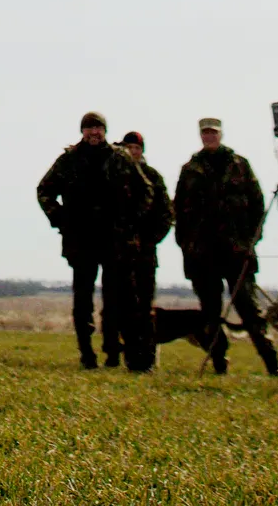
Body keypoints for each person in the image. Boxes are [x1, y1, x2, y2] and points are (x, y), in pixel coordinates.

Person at [37, 111, 149, 368]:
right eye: (89, 128)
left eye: (98, 128)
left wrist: (131, 224)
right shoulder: (69, 160)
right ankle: (86, 354)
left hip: (115, 241)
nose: (93, 132)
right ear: (82, 132)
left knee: (114, 301)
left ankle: (112, 354)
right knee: (82, 301)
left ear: (105, 130)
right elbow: (44, 190)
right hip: (81, 240)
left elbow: (145, 191)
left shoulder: (120, 158)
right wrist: (61, 218)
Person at [174, 118, 278, 376]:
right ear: (201, 136)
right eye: (205, 133)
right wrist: (187, 246)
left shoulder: (240, 165)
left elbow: (257, 204)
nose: (209, 136)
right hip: (202, 254)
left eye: (213, 132)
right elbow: (179, 211)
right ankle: (219, 364)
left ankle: (273, 365)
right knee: (210, 314)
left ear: (221, 134)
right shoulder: (190, 169)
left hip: (236, 252)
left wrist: (251, 240)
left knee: (249, 310)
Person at [117, 130, 172, 373]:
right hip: (119, 252)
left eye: (136, 148)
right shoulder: (115, 176)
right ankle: (130, 359)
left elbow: (167, 215)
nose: (132, 152)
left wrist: (150, 240)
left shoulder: (153, 178)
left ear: (142, 151)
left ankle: (148, 360)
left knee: (146, 308)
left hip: (146, 254)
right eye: (128, 148)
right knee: (124, 307)